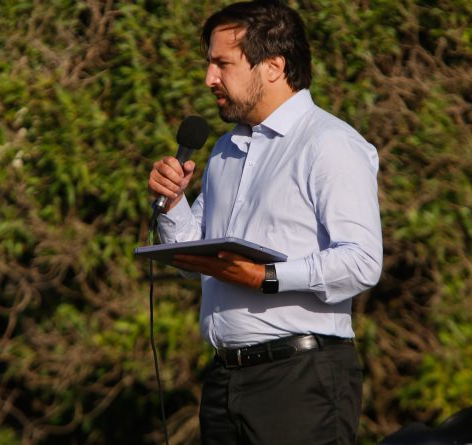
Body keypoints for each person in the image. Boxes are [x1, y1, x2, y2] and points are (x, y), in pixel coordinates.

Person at [147, 1, 382, 444]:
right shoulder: (226, 149)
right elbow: (196, 258)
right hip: (224, 379)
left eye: (223, 64)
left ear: (274, 66)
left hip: (300, 379)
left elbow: (362, 262)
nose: (209, 78)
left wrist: (266, 277)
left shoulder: (330, 143)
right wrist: (174, 203)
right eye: (210, 63)